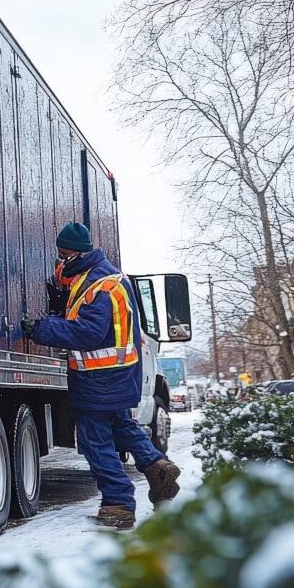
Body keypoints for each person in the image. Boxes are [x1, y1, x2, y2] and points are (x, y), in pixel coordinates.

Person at [22, 222, 180, 529]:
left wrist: (42, 329)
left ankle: (119, 504)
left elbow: (88, 332)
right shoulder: (101, 277)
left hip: (99, 377)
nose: (60, 261)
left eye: (63, 254)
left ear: (79, 254)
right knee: (123, 426)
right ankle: (157, 467)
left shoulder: (100, 286)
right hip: (116, 376)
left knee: (97, 442)